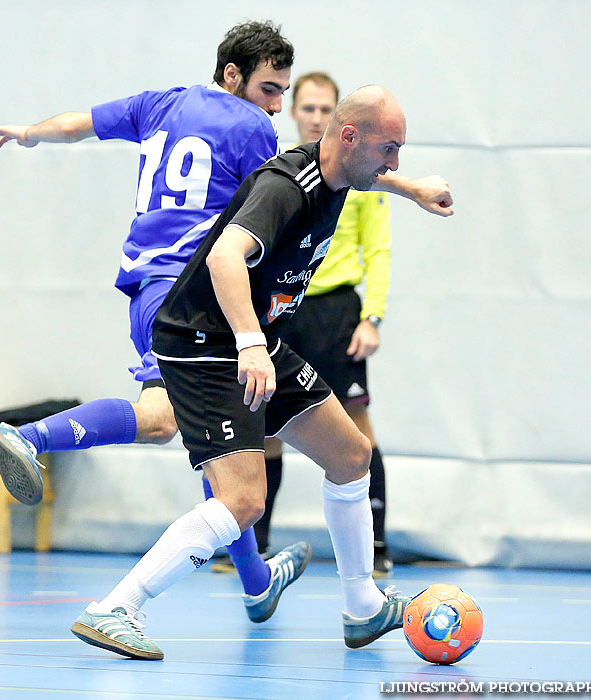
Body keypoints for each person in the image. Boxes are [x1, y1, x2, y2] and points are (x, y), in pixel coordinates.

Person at [0, 22, 450, 625]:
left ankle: (303, 592)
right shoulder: (260, 145)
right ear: (233, 77)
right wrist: (251, 343)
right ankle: (108, 584)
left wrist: (27, 132)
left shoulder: (163, 103)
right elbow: (241, 236)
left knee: (344, 454)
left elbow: (77, 124)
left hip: (173, 293)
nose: (276, 107)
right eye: (272, 91)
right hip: (202, 309)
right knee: (189, 446)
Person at [66, 85, 453, 660]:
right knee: (243, 499)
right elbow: (225, 256)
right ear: (349, 137)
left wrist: (410, 187)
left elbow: (369, 174)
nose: (394, 161)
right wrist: (249, 344)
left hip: (251, 340)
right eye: (389, 149)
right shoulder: (285, 187)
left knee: (350, 456)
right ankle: (115, 608)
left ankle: (363, 607)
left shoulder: (341, 174)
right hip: (205, 343)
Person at [262, 71, 395, 576]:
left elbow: (377, 250)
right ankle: (254, 543)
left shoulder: (363, 178)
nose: (315, 117)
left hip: (336, 313)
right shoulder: (283, 174)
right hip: (282, 309)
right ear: (294, 112)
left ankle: (376, 546)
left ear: (342, 122)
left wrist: (372, 317)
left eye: (325, 110)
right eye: (308, 108)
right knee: (267, 423)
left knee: (357, 428)